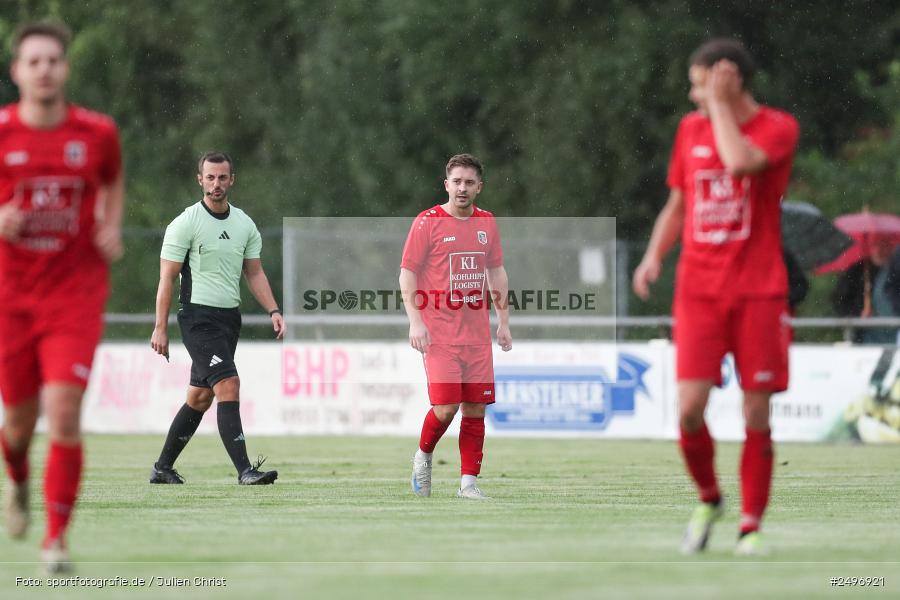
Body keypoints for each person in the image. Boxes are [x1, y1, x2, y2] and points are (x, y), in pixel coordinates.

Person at [632, 38, 799, 555]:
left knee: (755, 413)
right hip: (699, 292)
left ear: (729, 80)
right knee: (688, 409)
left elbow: (740, 163)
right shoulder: (689, 129)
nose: (692, 94)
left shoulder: (778, 127)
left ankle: (750, 529)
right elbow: (679, 203)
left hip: (758, 292)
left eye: (699, 83)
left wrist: (723, 105)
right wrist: (654, 254)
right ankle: (710, 497)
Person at [0, 22, 124, 573]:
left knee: (64, 412)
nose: (44, 69)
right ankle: (20, 481)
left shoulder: (97, 132)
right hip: (10, 297)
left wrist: (109, 225)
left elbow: (114, 181)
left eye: (53, 60)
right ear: (17, 72)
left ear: (65, 69)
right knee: (19, 424)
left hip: (74, 293)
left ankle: (56, 540)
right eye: (34, 61)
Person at [149, 151, 284, 486]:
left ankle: (162, 469)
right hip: (197, 319)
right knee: (228, 384)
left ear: (231, 180)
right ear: (200, 180)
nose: (216, 184)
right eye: (210, 177)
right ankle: (245, 471)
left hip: (228, 320)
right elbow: (167, 279)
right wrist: (160, 327)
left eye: (222, 177)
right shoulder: (185, 223)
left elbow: (254, 273)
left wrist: (274, 310)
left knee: (200, 396)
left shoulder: (244, 224)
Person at [400, 154, 512, 500]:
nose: (462, 188)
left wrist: (503, 322)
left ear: (479, 187)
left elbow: (496, 272)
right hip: (439, 334)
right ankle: (423, 455)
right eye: (456, 181)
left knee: (476, 409)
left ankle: (469, 484)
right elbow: (407, 273)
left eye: (469, 182)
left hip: (476, 335)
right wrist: (415, 321)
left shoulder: (487, 223)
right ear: (446, 184)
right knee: (446, 408)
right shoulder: (427, 222)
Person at [831, 240, 899, 345]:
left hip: (894, 331)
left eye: (883, 245)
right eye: (875, 246)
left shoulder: (895, 269)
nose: (879, 250)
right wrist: (857, 314)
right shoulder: (858, 271)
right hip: (866, 335)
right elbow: (840, 299)